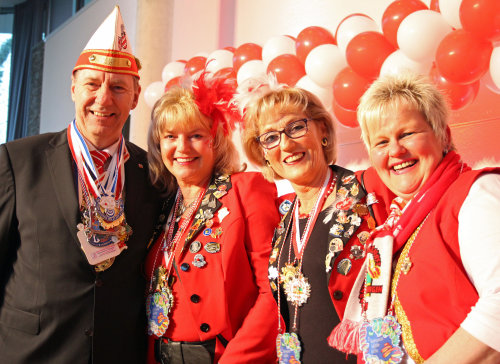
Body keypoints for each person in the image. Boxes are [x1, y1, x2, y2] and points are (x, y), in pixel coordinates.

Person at [0, 7, 160, 363]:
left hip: (116, 353)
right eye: (92, 84)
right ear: (73, 88)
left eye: (118, 87)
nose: (103, 99)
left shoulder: (153, 174)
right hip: (31, 352)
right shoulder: (16, 160)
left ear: (134, 99)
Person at [332, 73, 500, 363]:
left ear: (444, 135)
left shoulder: (477, 192)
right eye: (381, 142)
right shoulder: (395, 224)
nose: (395, 151)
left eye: (407, 134)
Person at [236, 77, 388, 363]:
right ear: (264, 155)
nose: (286, 143)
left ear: (322, 131)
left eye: (296, 127)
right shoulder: (284, 215)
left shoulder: (369, 193)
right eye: (271, 137)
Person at [145, 72, 279, 364]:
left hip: (223, 356)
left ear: (216, 141)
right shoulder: (163, 205)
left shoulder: (246, 190)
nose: (182, 148)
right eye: (171, 136)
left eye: (196, 135)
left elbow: (273, 293)